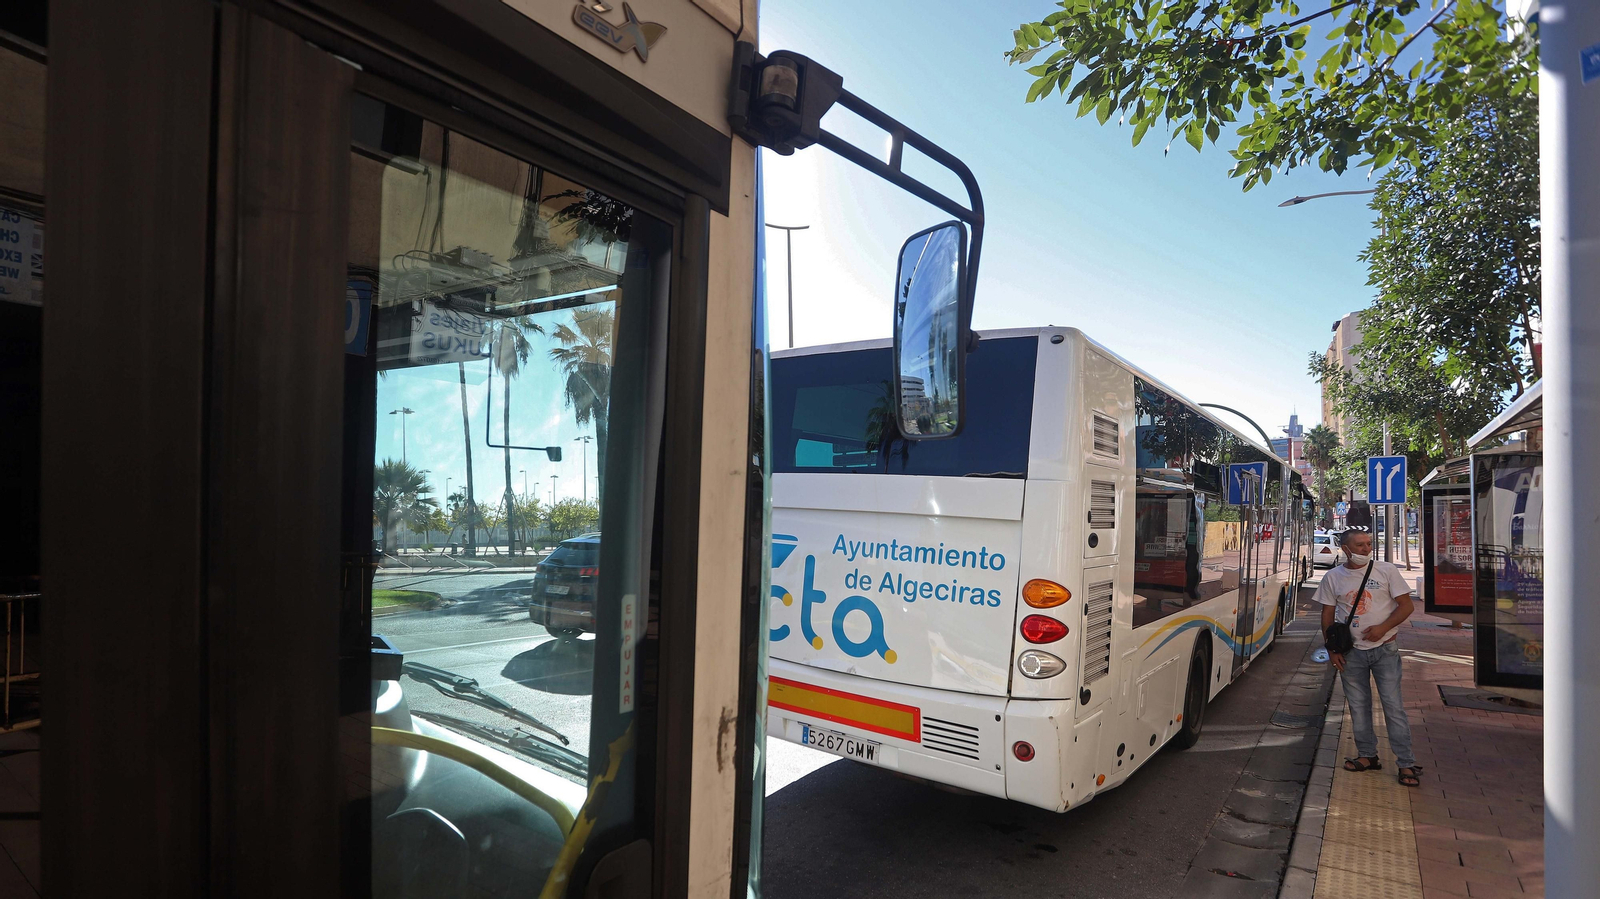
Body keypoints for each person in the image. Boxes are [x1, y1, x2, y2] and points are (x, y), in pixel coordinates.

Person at [1316, 526, 1423, 787]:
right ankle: (1367, 755)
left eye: (1368, 544)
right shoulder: (1333, 578)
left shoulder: (1386, 570)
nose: (1366, 549)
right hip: (1351, 653)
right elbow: (1327, 616)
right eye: (1360, 545)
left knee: (1393, 706)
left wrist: (1383, 628)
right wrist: (1331, 650)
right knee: (1359, 707)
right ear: (1346, 549)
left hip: (1385, 650)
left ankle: (1406, 763)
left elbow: (1406, 605)